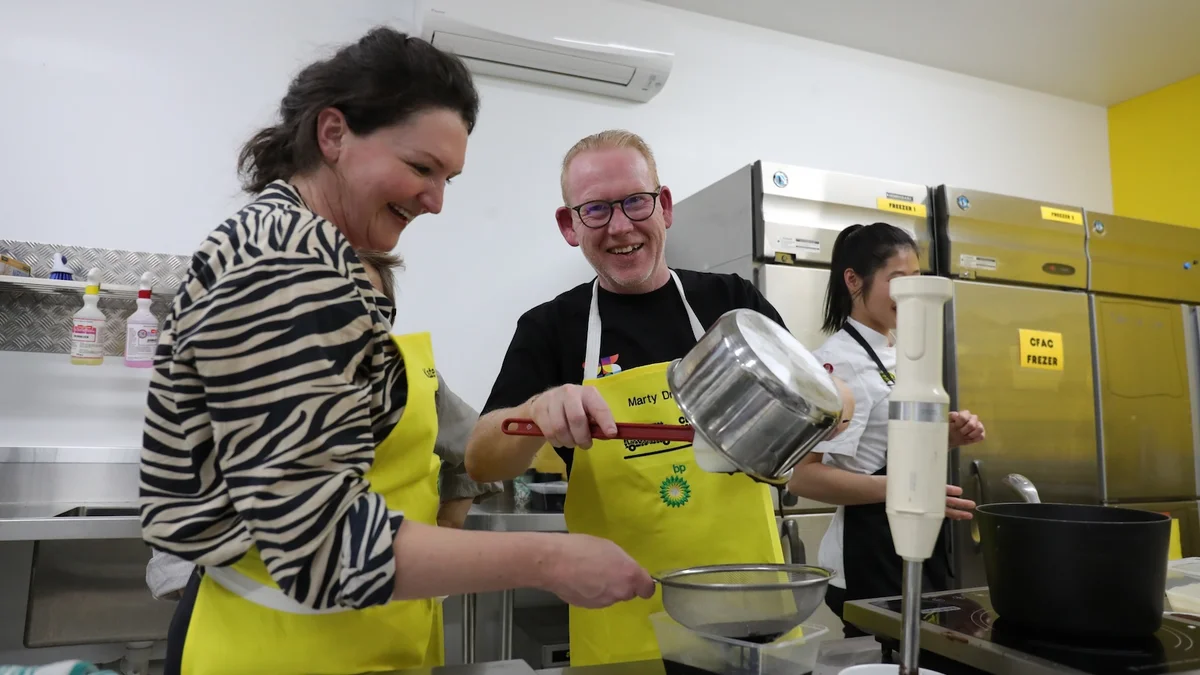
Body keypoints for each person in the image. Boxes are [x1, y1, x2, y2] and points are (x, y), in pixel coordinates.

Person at [139, 30, 654, 675]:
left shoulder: (320, 252)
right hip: (283, 649)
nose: (436, 201)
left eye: (447, 177)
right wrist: (549, 559)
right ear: (334, 134)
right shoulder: (287, 267)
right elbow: (320, 546)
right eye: (421, 168)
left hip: (350, 638)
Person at [465, 129, 853, 666]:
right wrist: (535, 412)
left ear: (664, 206)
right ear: (569, 225)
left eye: (636, 202)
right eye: (596, 209)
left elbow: (823, 398)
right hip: (623, 619)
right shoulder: (550, 328)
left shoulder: (731, 304)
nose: (621, 226)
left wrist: (835, 403)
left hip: (748, 611)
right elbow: (482, 457)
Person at [143, 250, 494, 604]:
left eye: (370, 306)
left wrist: (449, 524)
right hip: (252, 616)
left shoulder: (415, 379)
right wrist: (193, 585)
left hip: (386, 613)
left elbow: (478, 446)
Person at [785, 222, 986, 637]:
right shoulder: (837, 364)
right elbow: (802, 474)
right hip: (866, 554)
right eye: (897, 281)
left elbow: (881, 449)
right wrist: (904, 490)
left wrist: (945, 437)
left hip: (911, 537)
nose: (910, 294)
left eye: (915, 280)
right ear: (854, 281)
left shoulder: (901, 351)